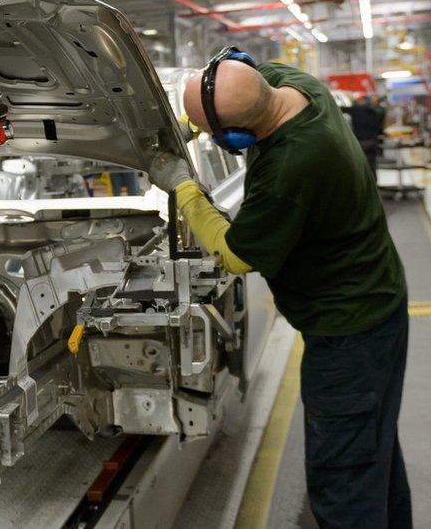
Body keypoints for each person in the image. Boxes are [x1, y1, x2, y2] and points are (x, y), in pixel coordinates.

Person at [148, 50, 410, 529]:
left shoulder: (292, 166)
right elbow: (246, 75)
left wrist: (182, 186)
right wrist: (189, 123)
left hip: (348, 333)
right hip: (376, 305)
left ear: (238, 137)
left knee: (343, 476)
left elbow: (234, 254)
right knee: (371, 450)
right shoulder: (295, 85)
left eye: (211, 133)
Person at [342, 93, 386, 175]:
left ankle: (363, 185)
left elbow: (341, 109)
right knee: (372, 165)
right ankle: (373, 184)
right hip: (372, 141)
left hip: (360, 142)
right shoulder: (377, 110)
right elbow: (380, 125)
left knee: (359, 166)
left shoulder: (356, 109)